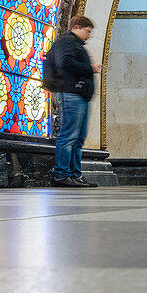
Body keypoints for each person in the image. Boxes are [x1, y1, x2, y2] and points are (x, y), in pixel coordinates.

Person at [48, 15, 103, 188]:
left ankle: (75, 175)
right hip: (71, 93)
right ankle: (62, 174)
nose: (89, 35)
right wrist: (90, 68)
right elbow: (65, 63)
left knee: (78, 138)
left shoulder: (75, 44)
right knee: (68, 136)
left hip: (79, 95)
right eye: (87, 31)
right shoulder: (66, 42)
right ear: (77, 27)